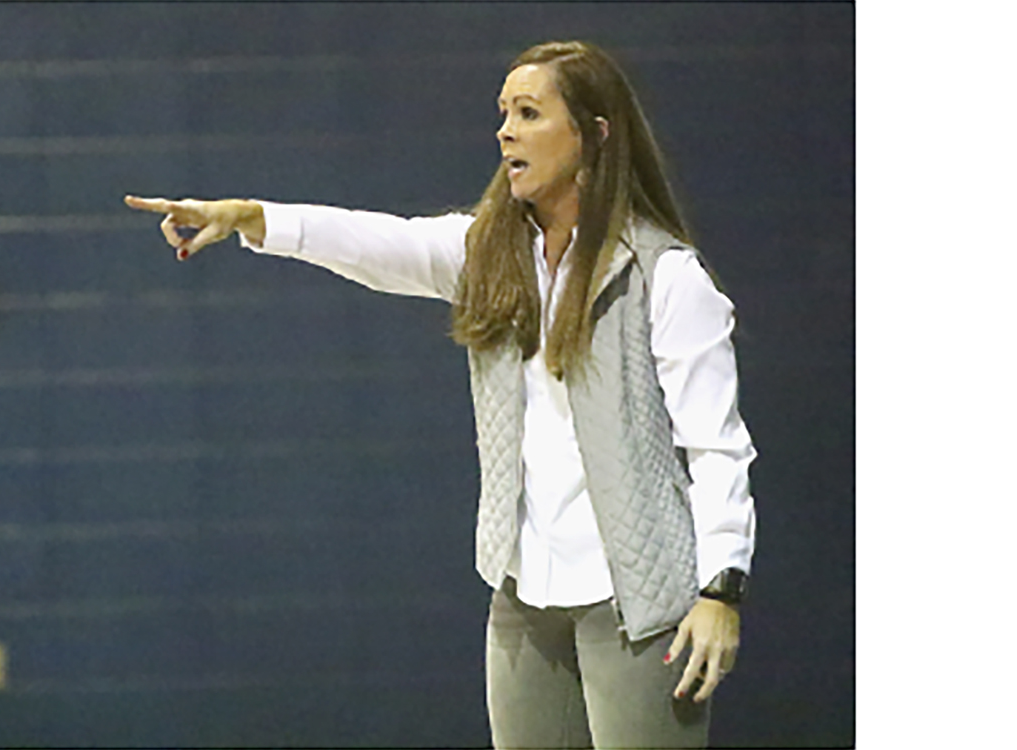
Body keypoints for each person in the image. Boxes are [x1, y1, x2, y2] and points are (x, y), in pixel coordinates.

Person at [126, 40, 755, 750]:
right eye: (503, 114)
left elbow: (718, 447)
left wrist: (720, 590)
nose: (505, 132)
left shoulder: (665, 277)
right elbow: (376, 243)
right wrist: (252, 216)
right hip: (523, 598)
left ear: (593, 133)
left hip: (639, 602)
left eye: (529, 113)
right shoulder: (488, 253)